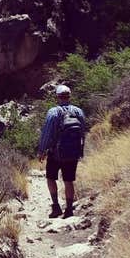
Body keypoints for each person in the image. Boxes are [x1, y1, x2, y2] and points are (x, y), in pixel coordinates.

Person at [37, 85, 86, 218]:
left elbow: (46, 134)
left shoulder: (53, 112)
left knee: (50, 178)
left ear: (57, 97)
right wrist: (80, 151)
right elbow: (82, 133)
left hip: (56, 153)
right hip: (72, 153)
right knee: (68, 180)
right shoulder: (78, 112)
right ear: (69, 96)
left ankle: (56, 207)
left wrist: (42, 150)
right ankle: (69, 210)